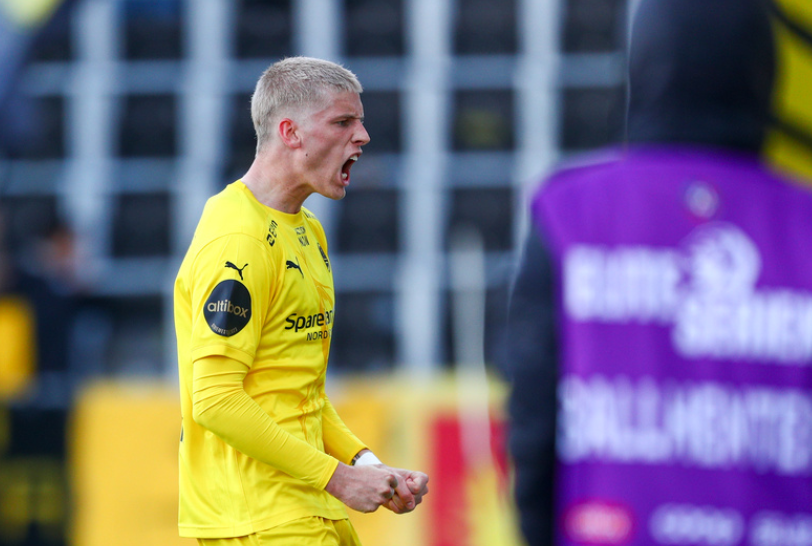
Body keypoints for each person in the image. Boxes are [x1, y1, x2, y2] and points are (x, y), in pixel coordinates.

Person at [505, 1, 812, 545]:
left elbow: (534, 423)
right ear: (762, 71)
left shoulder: (570, 211)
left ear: (642, 63)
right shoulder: (800, 219)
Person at [174, 57, 429, 546]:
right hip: (259, 517)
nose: (364, 136)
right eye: (342, 121)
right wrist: (340, 478)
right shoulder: (239, 241)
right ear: (290, 132)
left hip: (307, 507)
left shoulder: (307, 230)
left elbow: (296, 390)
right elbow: (216, 399)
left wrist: (368, 466)